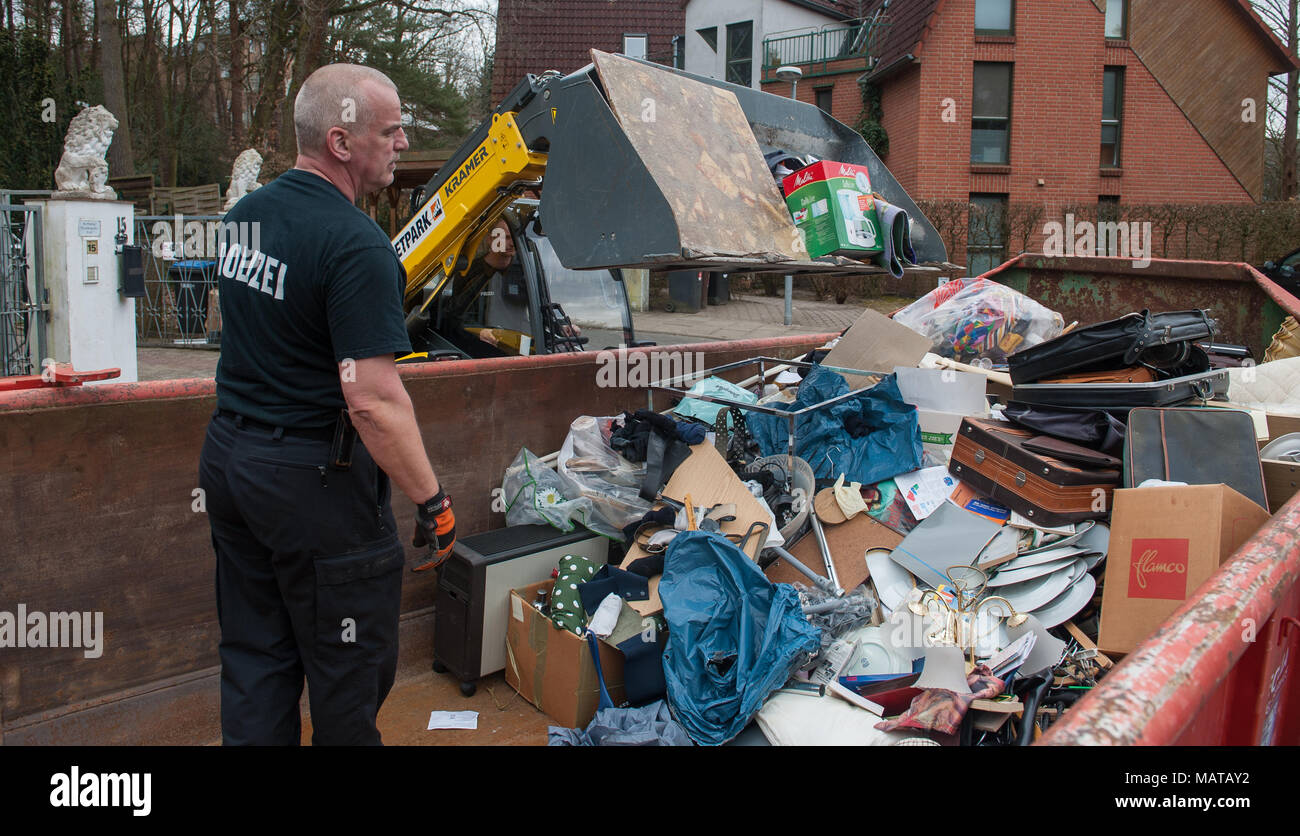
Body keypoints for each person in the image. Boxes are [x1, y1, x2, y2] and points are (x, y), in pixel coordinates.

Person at [198, 63, 456, 745]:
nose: (403, 143)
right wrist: (432, 500)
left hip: (231, 463)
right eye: (391, 130)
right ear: (342, 143)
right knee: (348, 676)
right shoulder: (357, 244)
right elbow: (371, 400)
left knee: (257, 658)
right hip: (312, 488)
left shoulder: (244, 219)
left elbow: (255, 338)